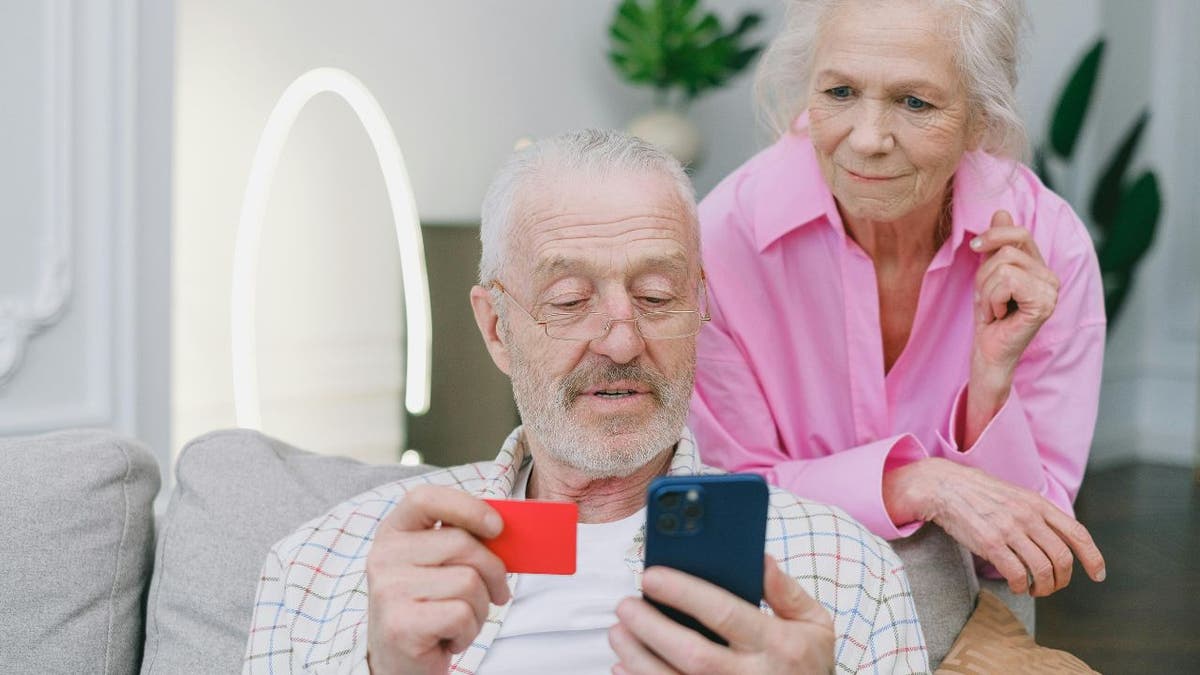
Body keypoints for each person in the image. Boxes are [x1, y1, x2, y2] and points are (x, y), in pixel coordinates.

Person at [244, 130, 928, 674]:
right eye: (570, 301)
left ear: (699, 309)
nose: (622, 340)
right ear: (496, 328)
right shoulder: (319, 566)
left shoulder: (846, 572)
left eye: (656, 296)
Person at [689, 0, 1107, 602]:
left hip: (973, 605)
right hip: (777, 603)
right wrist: (917, 485)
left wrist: (990, 384)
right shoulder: (721, 243)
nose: (867, 139)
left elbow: (1025, 552)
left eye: (915, 102)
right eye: (839, 92)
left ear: (980, 120)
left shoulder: (1049, 245)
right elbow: (729, 505)